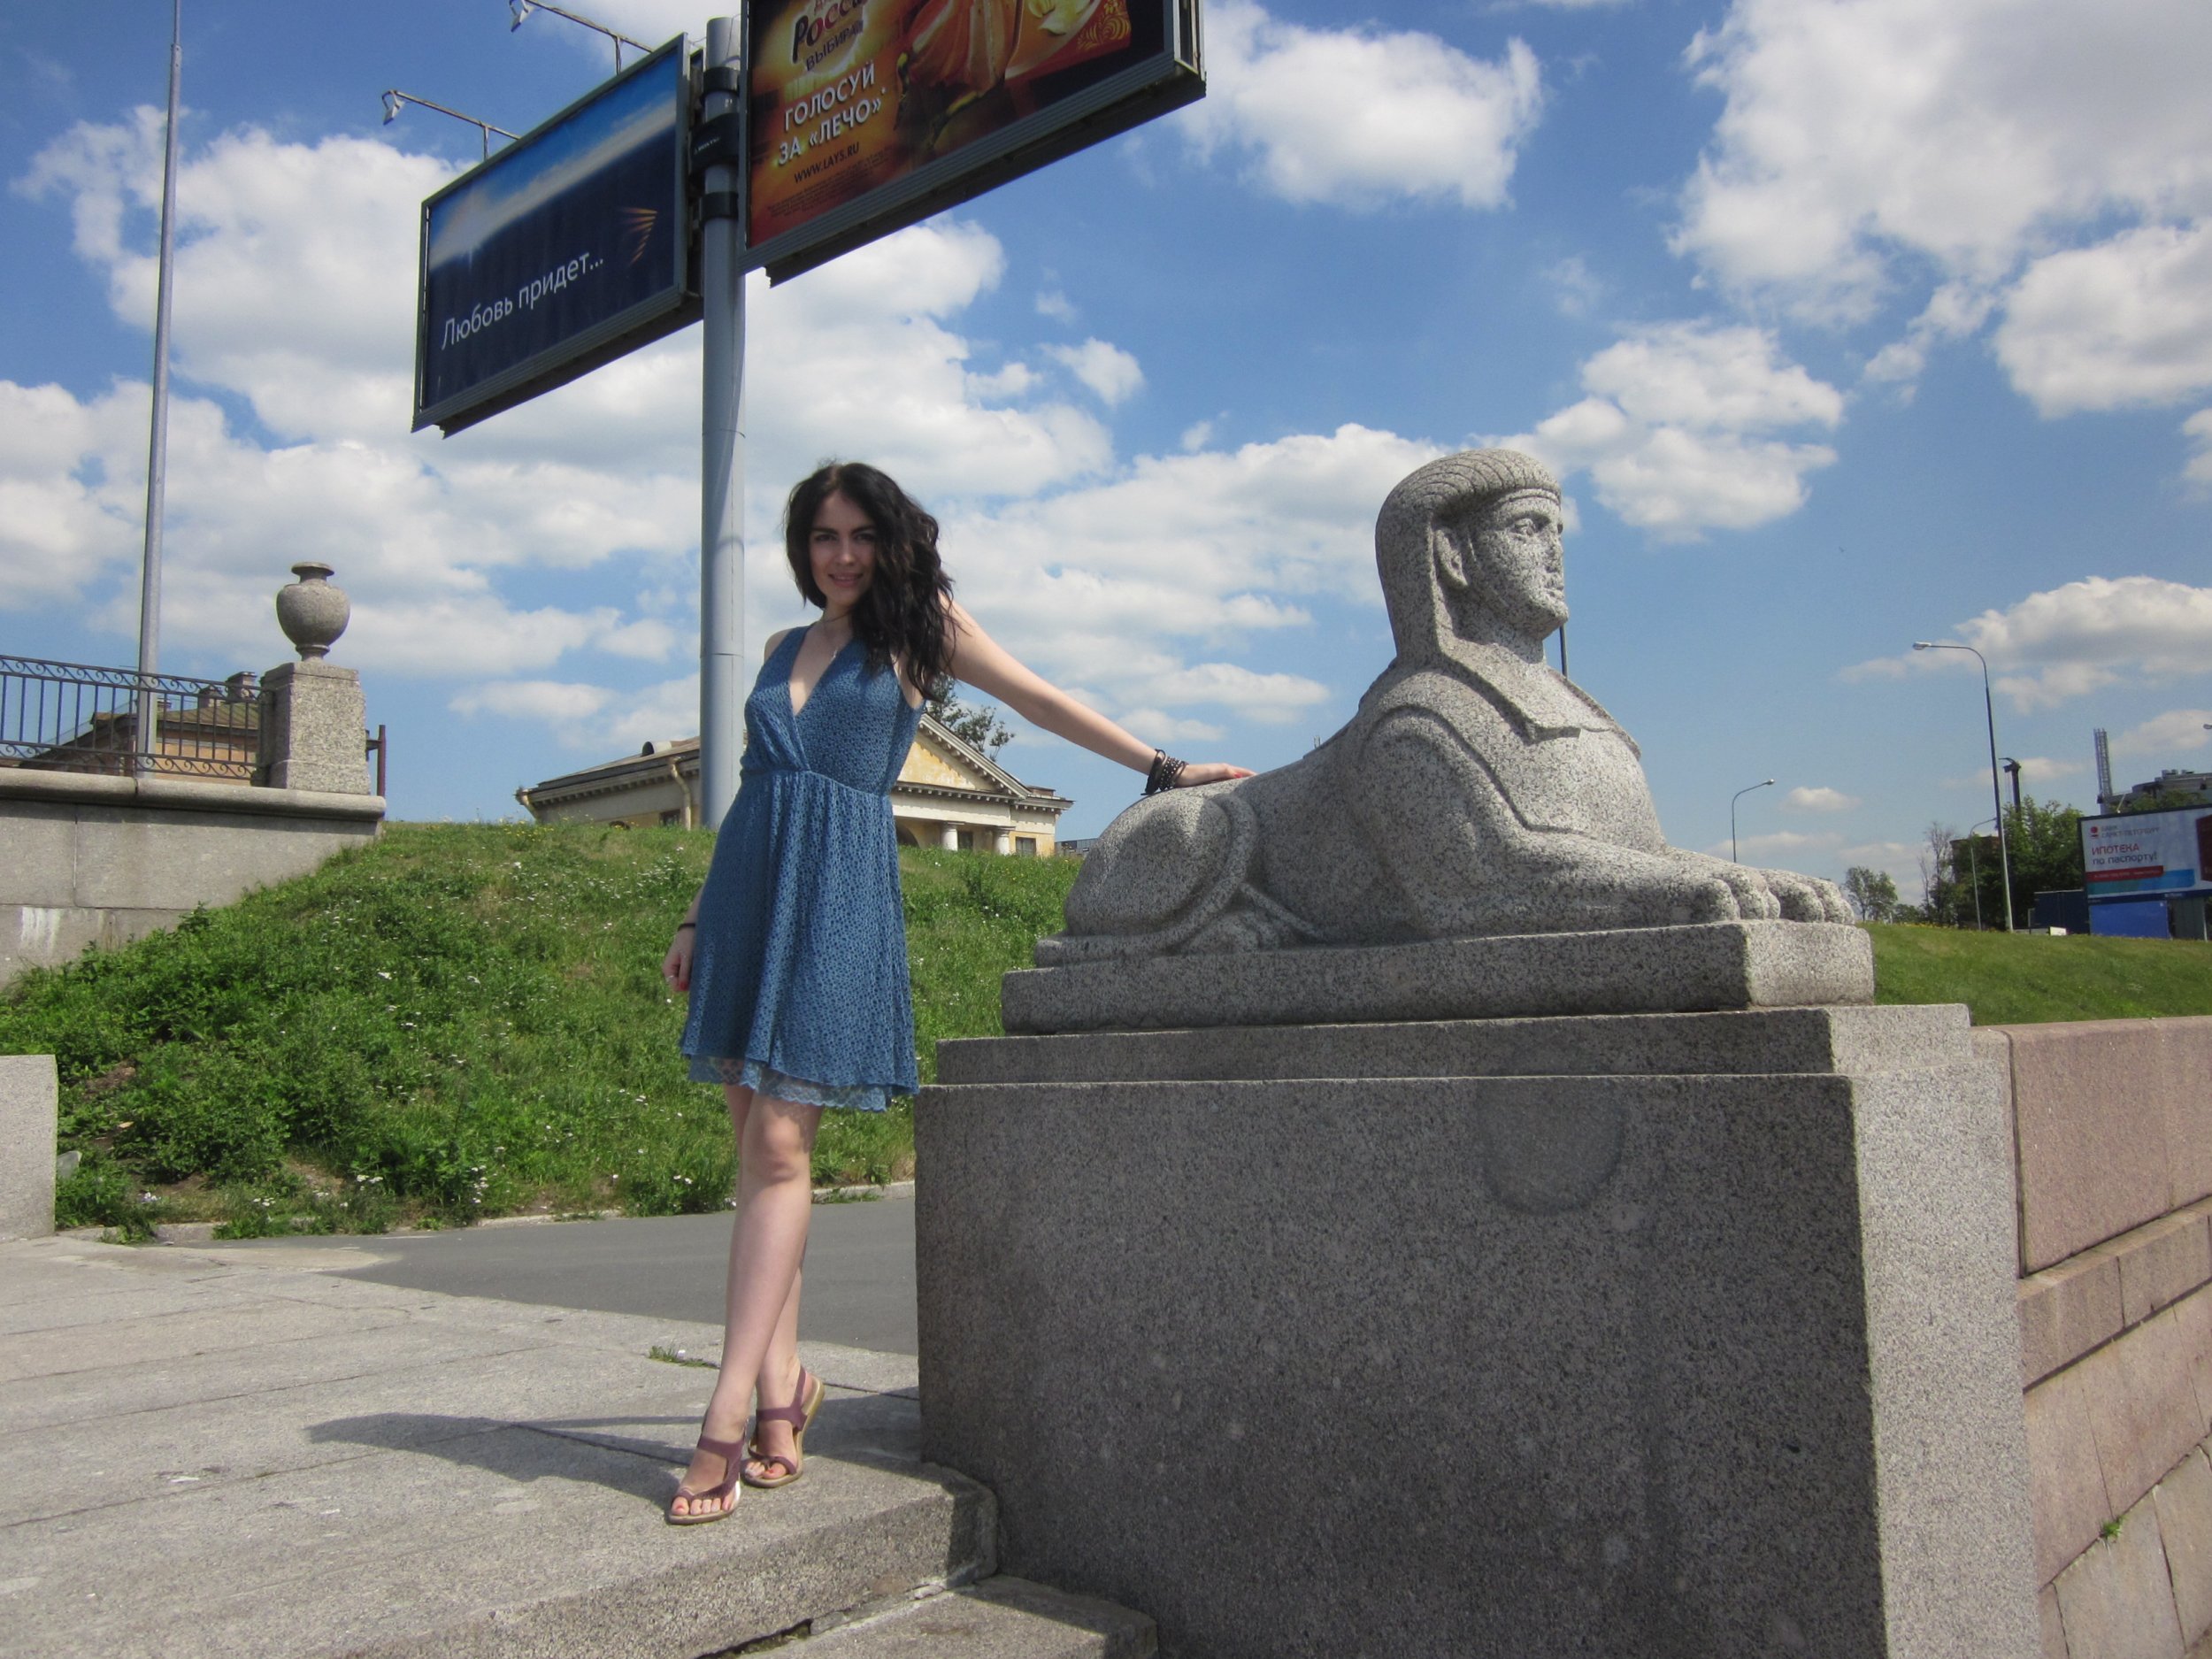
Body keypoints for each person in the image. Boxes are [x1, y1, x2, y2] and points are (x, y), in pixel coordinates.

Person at [658, 460, 1251, 1523]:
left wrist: (1161, 769)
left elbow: (1035, 696)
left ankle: (725, 1407)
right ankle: (784, 1391)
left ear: (891, 541)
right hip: (748, 890)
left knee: (782, 1146)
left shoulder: (919, 633)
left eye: (859, 535)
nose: (841, 555)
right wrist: (698, 917)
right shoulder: (782, 647)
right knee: (755, 1149)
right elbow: (751, 790)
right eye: (822, 536)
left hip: (837, 895)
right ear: (802, 548)